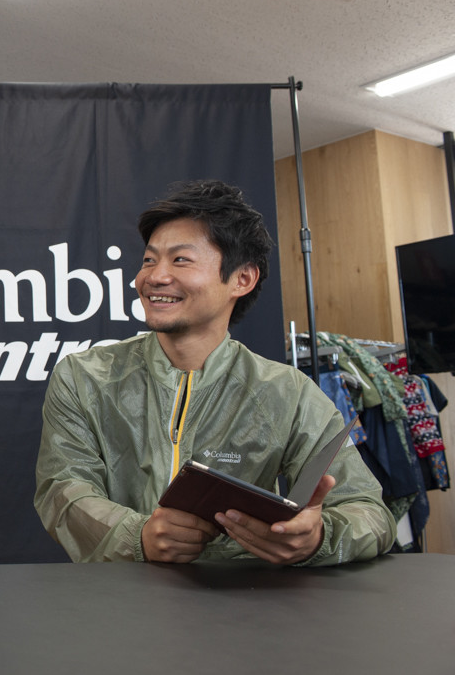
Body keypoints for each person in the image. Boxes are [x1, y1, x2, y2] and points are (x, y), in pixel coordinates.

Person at [35, 179, 395, 565]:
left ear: (242, 279)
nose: (154, 277)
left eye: (180, 260)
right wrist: (138, 536)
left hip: (243, 596)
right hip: (118, 594)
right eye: (149, 260)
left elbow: (371, 513)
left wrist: (317, 538)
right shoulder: (83, 376)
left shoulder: (288, 391)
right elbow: (63, 490)